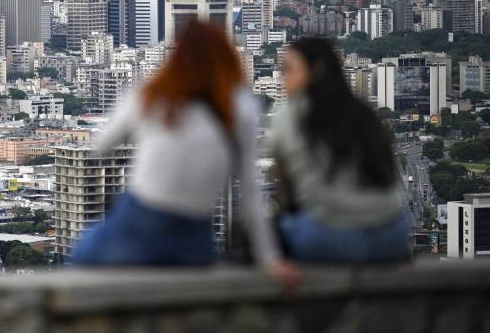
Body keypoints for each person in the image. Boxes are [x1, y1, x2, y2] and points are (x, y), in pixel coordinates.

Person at [71, 20, 298, 288]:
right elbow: (250, 189)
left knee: (81, 255)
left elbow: (100, 147)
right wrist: (270, 259)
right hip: (195, 237)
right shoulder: (241, 108)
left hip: (141, 220)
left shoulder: (153, 96)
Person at [272, 37, 409, 264]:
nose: (282, 78)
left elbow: (289, 196)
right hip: (392, 236)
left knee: (271, 233)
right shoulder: (364, 111)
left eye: (288, 69)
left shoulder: (290, 114)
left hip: (332, 239)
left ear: (316, 70)